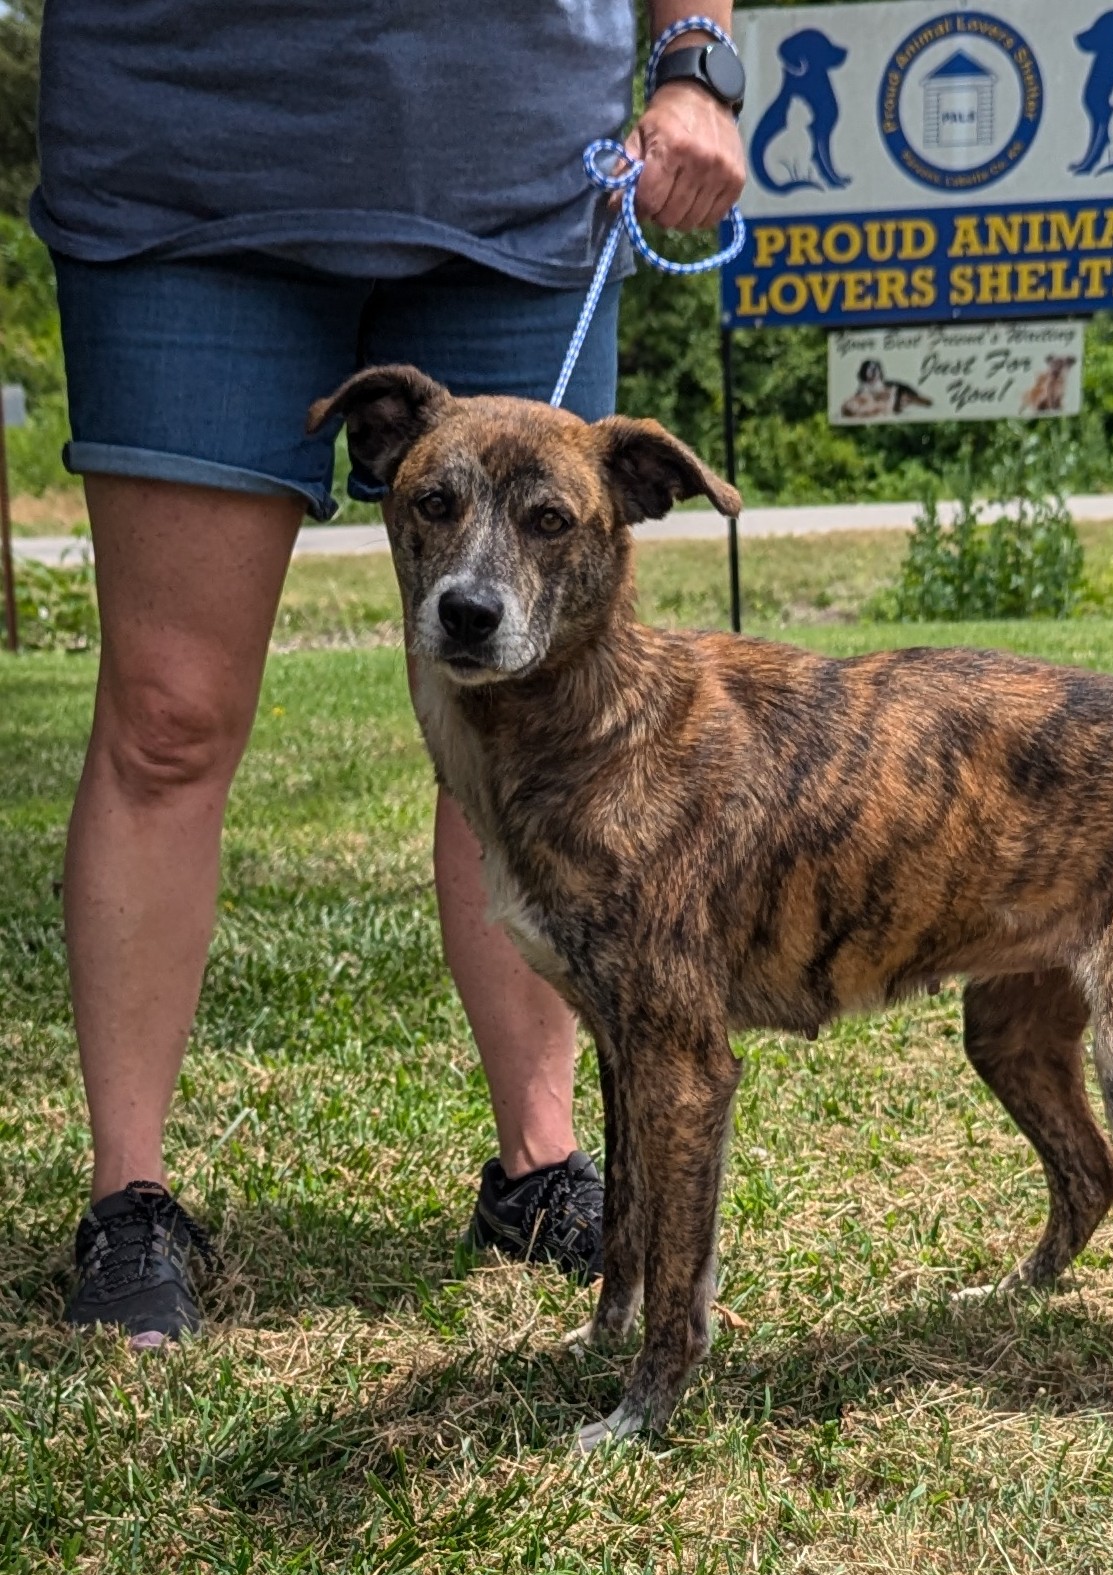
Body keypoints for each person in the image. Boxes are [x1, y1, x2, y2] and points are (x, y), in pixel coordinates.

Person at [31, 0, 747, 1344]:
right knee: (167, 715)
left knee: (523, 703)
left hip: (513, 163)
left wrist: (695, 56)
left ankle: (538, 1168)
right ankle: (128, 1195)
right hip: (181, 157)